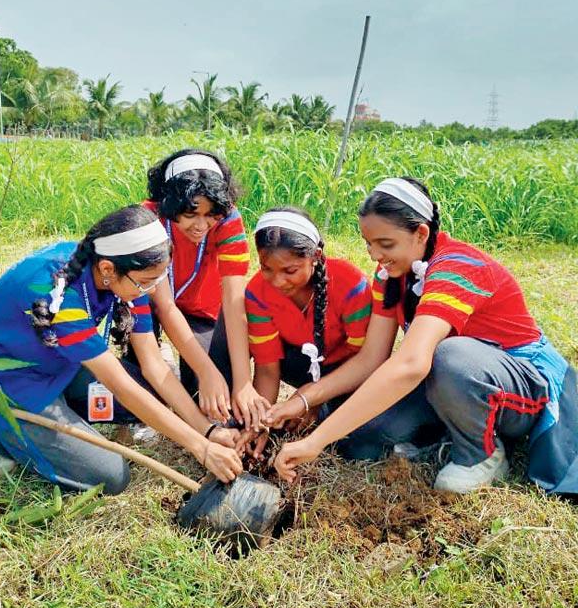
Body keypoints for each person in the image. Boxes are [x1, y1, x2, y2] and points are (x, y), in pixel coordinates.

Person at [272, 177, 578, 495]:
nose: (375, 254)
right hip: (454, 382)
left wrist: (316, 441)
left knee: (451, 357)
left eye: (386, 244)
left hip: (519, 385)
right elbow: (371, 359)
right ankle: (455, 426)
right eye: (369, 243)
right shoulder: (391, 275)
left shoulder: (457, 267)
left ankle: (481, 452)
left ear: (421, 232)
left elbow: (412, 364)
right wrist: (304, 399)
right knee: (361, 439)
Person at [0, 204, 244, 495]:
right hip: (10, 383)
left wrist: (207, 431)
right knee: (111, 475)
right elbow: (120, 386)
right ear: (109, 269)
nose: (152, 290)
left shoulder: (126, 274)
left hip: (62, 365)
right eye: (146, 282)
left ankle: (58, 414)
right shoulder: (57, 292)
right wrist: (202, 449)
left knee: (155, 392)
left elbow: (155, 366)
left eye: (159, 280)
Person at [238, 207, 427, 459]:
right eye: (266, 269)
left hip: (349, 370)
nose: (277, 281)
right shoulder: (257, 293)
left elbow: (365, 359)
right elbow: (267, 368)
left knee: (360, 446)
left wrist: (310, 400)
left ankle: (329, 411)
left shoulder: (350, 285)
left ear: (315, 256)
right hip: (299, 367)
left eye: (290, 271)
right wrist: (260, 422)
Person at [140, 149, 255, 426]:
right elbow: (165, 305)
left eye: (210, 214)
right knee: (150, 360)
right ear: (170, 202)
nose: (201, 225)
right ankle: (152, 371)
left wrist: (242, 383)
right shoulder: (148, 219)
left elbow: (234, 302)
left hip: (199, 310)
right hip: (152, 305)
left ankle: (179, 368)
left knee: (206, 396)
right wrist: (207, 372)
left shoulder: (228, 219)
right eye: (191, 214)